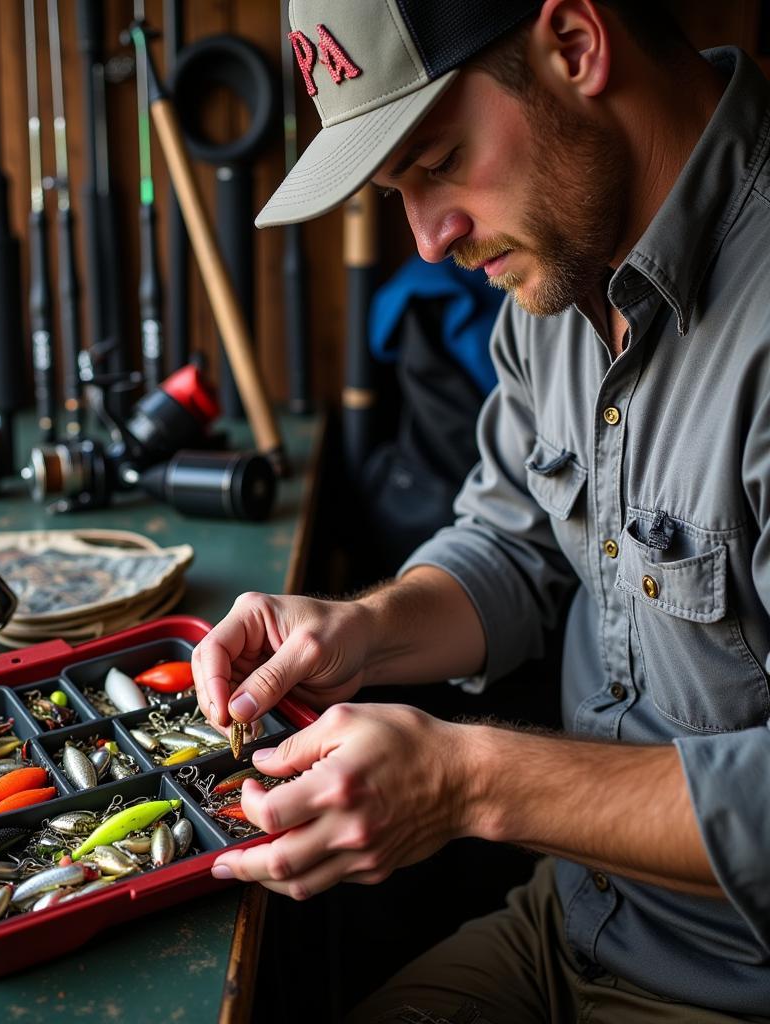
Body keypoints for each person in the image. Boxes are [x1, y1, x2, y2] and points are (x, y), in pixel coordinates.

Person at [191, 1, 770, 1021]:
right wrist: (362, 629)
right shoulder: (556, 277)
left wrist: (469, 783)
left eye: (440, 160)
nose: (426, 240)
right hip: (579, 918)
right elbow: (512, 541)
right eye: (394, 191)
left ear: (576, 45)